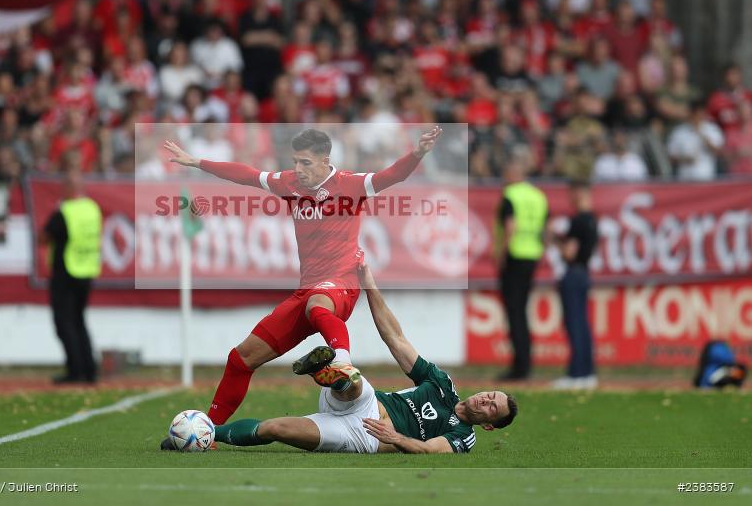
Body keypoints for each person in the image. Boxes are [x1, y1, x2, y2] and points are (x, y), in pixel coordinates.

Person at [162, 126, 442, 433]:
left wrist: (417, 153)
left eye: (305, 163)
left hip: (342, 284)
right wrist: (197, 162)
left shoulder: (351, 184)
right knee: (241, 359)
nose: (298, 169)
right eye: (296, 161)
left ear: (325, 161)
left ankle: (342, 363)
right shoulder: (290, 183)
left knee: (317, 303)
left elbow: (393, 175)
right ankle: (207, 430)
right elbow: (246, 174)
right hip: (307, 293)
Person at [209, 263, 518, 454]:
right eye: (490, 396)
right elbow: (395, 338)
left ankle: (205, 433)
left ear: (489, 425)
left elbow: (428, 450)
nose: (485, 401)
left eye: (492, 407)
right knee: (357, 383)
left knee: (274, 429)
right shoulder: (442, 384)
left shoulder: (464, 436)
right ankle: (332, 373)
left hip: (363, 438)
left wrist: (396, 438)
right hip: (363, 403)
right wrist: (369, 282)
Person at [39, 169, 102, 384]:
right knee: (79, 320)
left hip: (66, 270)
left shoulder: (65, 211)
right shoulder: (92, 208)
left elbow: (44, 237)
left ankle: (75, 371)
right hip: (87, 270)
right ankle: (89, 369)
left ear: (68, 188)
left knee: (64, 323)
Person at [494, 160, 548, 381]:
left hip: (515, 256)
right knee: (522, 312)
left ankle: (519, 368)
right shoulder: (538, 196)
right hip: (532, 256)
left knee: (514, 313)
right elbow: (546, 229)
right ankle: (525, 364)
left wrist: (502, 255)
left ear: (512, 173)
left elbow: (510, 227)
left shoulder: (510, 195)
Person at [552, 181, 599, 390]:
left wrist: (555, 239)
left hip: (573, 273)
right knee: (583, 324)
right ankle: (587, 373)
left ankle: (576, 374)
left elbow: (569, 253)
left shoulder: (578, 220)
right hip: (584, 273)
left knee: (574, 324)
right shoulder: (592, 220)